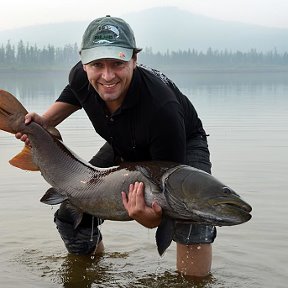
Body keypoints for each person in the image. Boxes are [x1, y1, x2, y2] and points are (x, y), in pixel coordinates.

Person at [16, 15, 216, 277]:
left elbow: (166, 196)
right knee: (72, 207)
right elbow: (75, 92)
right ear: (84, 63)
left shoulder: (162, 110)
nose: (107, 75)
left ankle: (193, 282)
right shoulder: (80, 76)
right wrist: (47, 121)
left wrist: (150, 218)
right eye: (97, 64)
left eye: (118, 64)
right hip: (125, 140)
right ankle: (91, 272)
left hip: (178, 145)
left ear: (134, 60)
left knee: (190, 219)